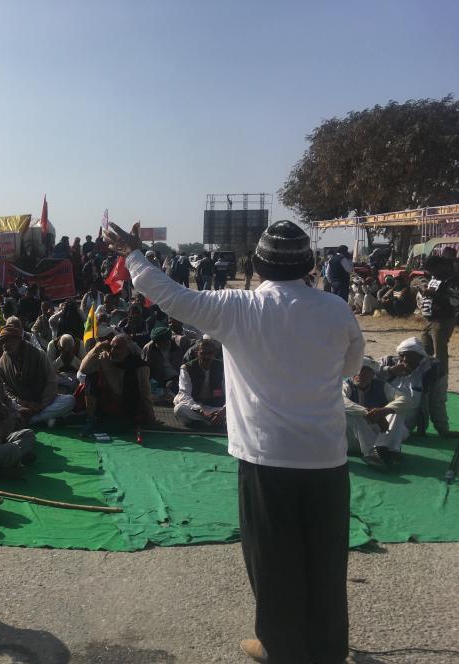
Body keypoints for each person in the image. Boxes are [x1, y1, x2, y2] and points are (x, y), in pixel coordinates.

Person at [106, 220, 364, 663]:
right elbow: (351, 366)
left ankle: (279, 647)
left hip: (267, 459)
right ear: (309, 265)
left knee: (272, 558)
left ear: (257, 266)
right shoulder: (336, 308)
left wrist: (133, 253)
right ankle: (327, 649)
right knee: (325, 558)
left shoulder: (238, 308)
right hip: (326, 458)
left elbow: (171, 295)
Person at [0, 324, 75, 425]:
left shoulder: (39, 354)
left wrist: (43, 404)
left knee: (69, 400)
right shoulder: (2, 363)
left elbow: (51, 381)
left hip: (42, 401)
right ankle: (41, 417)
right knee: (6, 404)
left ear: (19, 340)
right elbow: (5, 390)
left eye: (9, 340)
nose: (5, 345)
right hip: (21, 404)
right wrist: (23, 404)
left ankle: (31, 419)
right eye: (2, 342)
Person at [377, 337, 452, 438]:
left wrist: (443, 430)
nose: (404, 360)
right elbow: (364, 370)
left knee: (392, 434)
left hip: (405, 425)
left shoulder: (433, 371)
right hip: (378, 417)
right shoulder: (388, 362)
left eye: (409, 356)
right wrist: (389, 371)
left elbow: (437, 403)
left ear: (420, 356)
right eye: (402, 356)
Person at [343, 357, 409, 471]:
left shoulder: (381, 385)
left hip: (376, 436)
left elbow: (405, 399)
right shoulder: (346, 385)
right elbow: (341, 401)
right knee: (353, 413)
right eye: (357, 370)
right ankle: (371, 454)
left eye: (365, 370)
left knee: (397, 410)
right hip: (352, 439)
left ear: (373, 374)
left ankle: (386, 450)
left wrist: (384, 411)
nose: (360, 373)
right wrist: (367, 412)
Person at [79, 333, 154, 434]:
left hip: (125, 404)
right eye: (112, 347)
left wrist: (151, 418)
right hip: (106, 400)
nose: (113, 351)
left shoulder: (140, 367)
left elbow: (145, 394)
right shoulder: (104, 357)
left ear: (128, 350)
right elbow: (84, 369)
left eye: (118, 348)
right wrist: (97, 347)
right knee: (91, 376)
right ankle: (90, 419)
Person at [173, 337, 227, 429]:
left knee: (235, 411)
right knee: (179, 409)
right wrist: (201, 411)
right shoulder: (186, 368)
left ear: (214, 353)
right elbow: (185, 395)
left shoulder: (222, 367)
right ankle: (212, 422)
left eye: (209, 353)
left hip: (216, 408)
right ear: (196, 353)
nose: (206, 356)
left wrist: (222, 412)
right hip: (196, 407)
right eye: (203, 353)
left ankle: (207, 422)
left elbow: (229, 394)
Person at [419, 255, 459, 371]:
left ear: (440, 266)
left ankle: (441, 379)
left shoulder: (452, 280)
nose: (431, 272)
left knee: (440, 355)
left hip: (442, 321)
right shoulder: (435, 277)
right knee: (424, 352)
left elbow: (454, 301)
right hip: (429, 320)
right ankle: (428, 377)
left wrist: (434, 295)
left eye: (432, 269)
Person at [142, 326, 181, 403]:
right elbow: (145, 367)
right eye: (159, 343)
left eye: (164, 342)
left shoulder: (179, 345)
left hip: (176, 378)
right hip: (157, 380)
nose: (162, 345)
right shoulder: (149, 348)